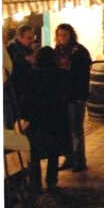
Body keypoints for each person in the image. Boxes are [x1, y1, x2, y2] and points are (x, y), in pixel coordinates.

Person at [23, 47, 71, 194]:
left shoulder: (32, 75)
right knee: (53, 152)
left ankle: (35, 183)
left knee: (35, 152)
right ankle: (51, 181)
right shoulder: (61, 74)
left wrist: (27, 116)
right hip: (55, 117)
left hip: (38, 118)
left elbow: (27, 98)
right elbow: (65, 94)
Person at [54, 24, 91, 173]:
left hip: (75, 96)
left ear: (71, 35)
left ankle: (79, 160)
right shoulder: (57, 51)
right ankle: (69, 158)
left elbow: (83, 76)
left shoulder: (79, 51)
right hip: (62, 97)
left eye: (65, 35)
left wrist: (81, 96)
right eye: (60, 35)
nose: (62, 38)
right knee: (65, 129)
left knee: (76, 129)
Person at [6, 25, 36, 113]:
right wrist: (26, 60)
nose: (32, 40)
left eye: (33, 37)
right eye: (29, 38)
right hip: (18, 89)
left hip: (25, 89)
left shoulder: (26, 48)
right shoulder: (12, 49)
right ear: (19, 37)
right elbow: (13, 67)